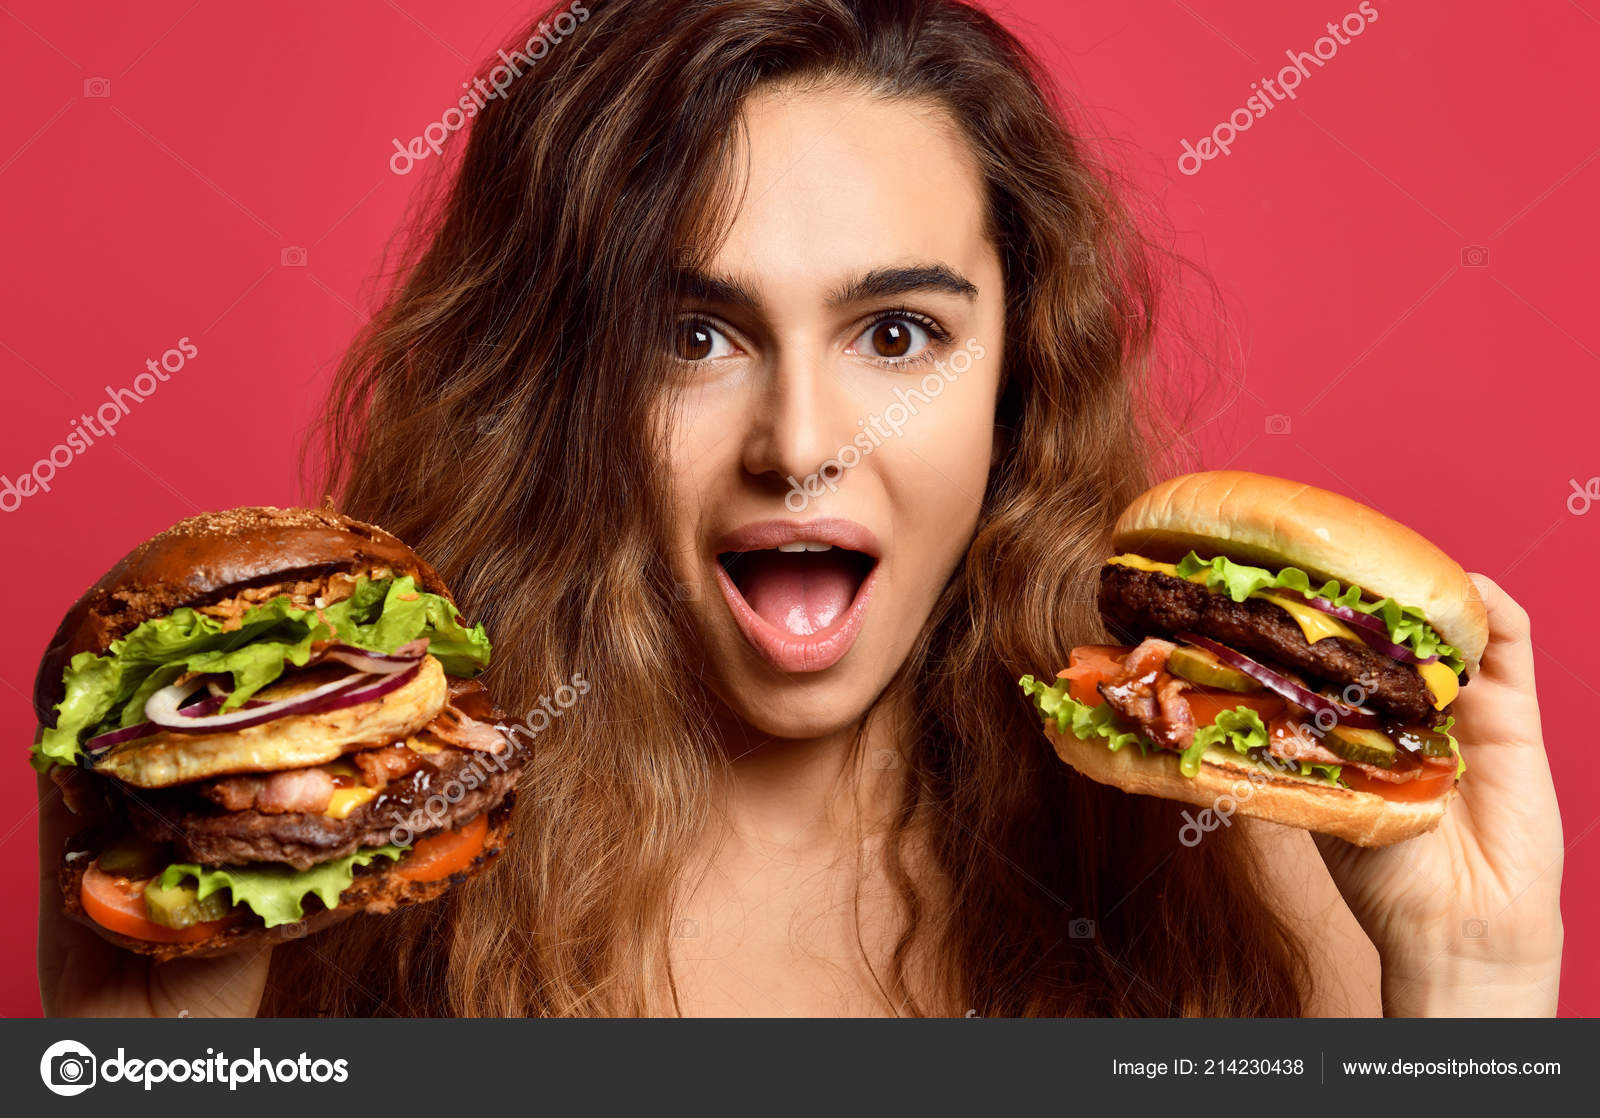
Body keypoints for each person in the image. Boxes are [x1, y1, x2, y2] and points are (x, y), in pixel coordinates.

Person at [40, 0, 1562, 1018]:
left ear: (1015, 379)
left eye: (896, 334)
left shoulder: (1232, 851)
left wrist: (1471, 984)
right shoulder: (338, 872)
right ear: (558, 375)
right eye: (688, 335)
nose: (800, 443)